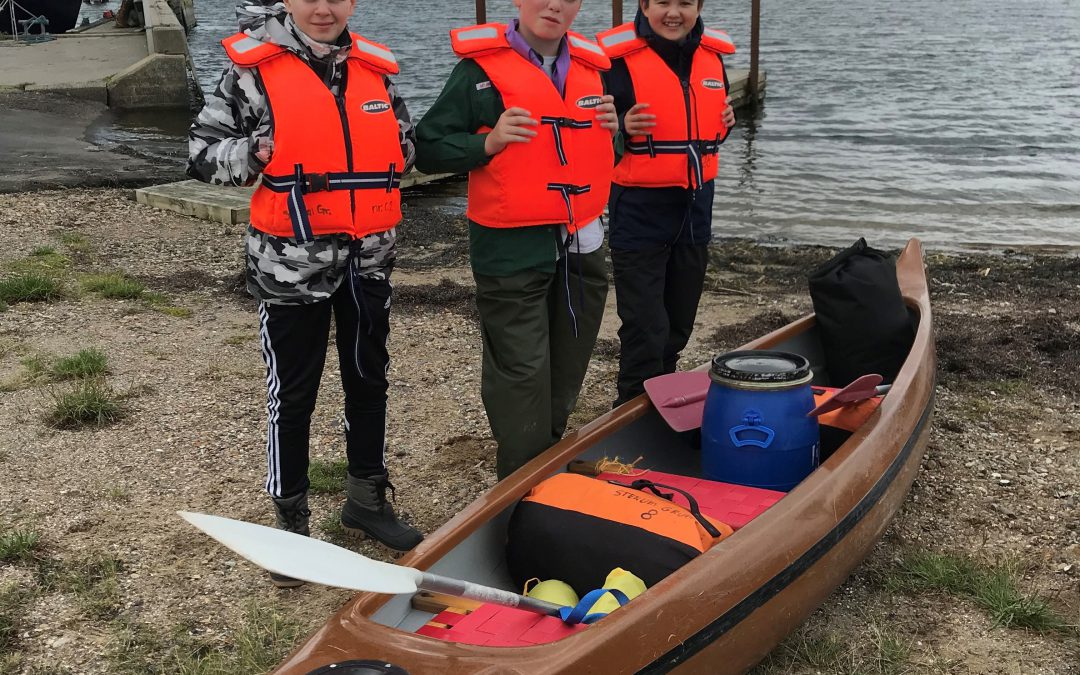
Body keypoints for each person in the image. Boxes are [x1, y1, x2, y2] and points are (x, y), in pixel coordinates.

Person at [187, 0, 422, 588]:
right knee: (293, 396)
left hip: (368, 258)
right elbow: (200, 155)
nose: (323, 7)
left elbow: (408, 146)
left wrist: (391, 145)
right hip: (291, 266)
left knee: (369, 380)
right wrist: (253, 153)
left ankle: (366, 499)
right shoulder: (249, 71)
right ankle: (290, 523)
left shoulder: (376, 70)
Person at [416, 0, 618, 479]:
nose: (555, 5)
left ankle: (543, 460)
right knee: (523, 371)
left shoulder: (591, 70)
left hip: (581, 244)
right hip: (511, 247)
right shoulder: (478, 73)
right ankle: (520, 485)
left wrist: (616, 132)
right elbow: (426, 148)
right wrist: (486, 143)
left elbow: (603, 152)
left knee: (568, 362)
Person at [596, 0, 736, 407]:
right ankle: (631, 409)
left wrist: (724, 125)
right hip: (639, 206)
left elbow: (706, 128)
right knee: (644, 325)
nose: (673, 13)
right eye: (662, 3)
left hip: (694, 207)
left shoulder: (712, 57)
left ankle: (662, 397)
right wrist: (621, 125)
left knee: (678, 321)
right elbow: (583, 127)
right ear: (644, 4)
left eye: (684, 3)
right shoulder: (615, 59)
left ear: (698, 7)